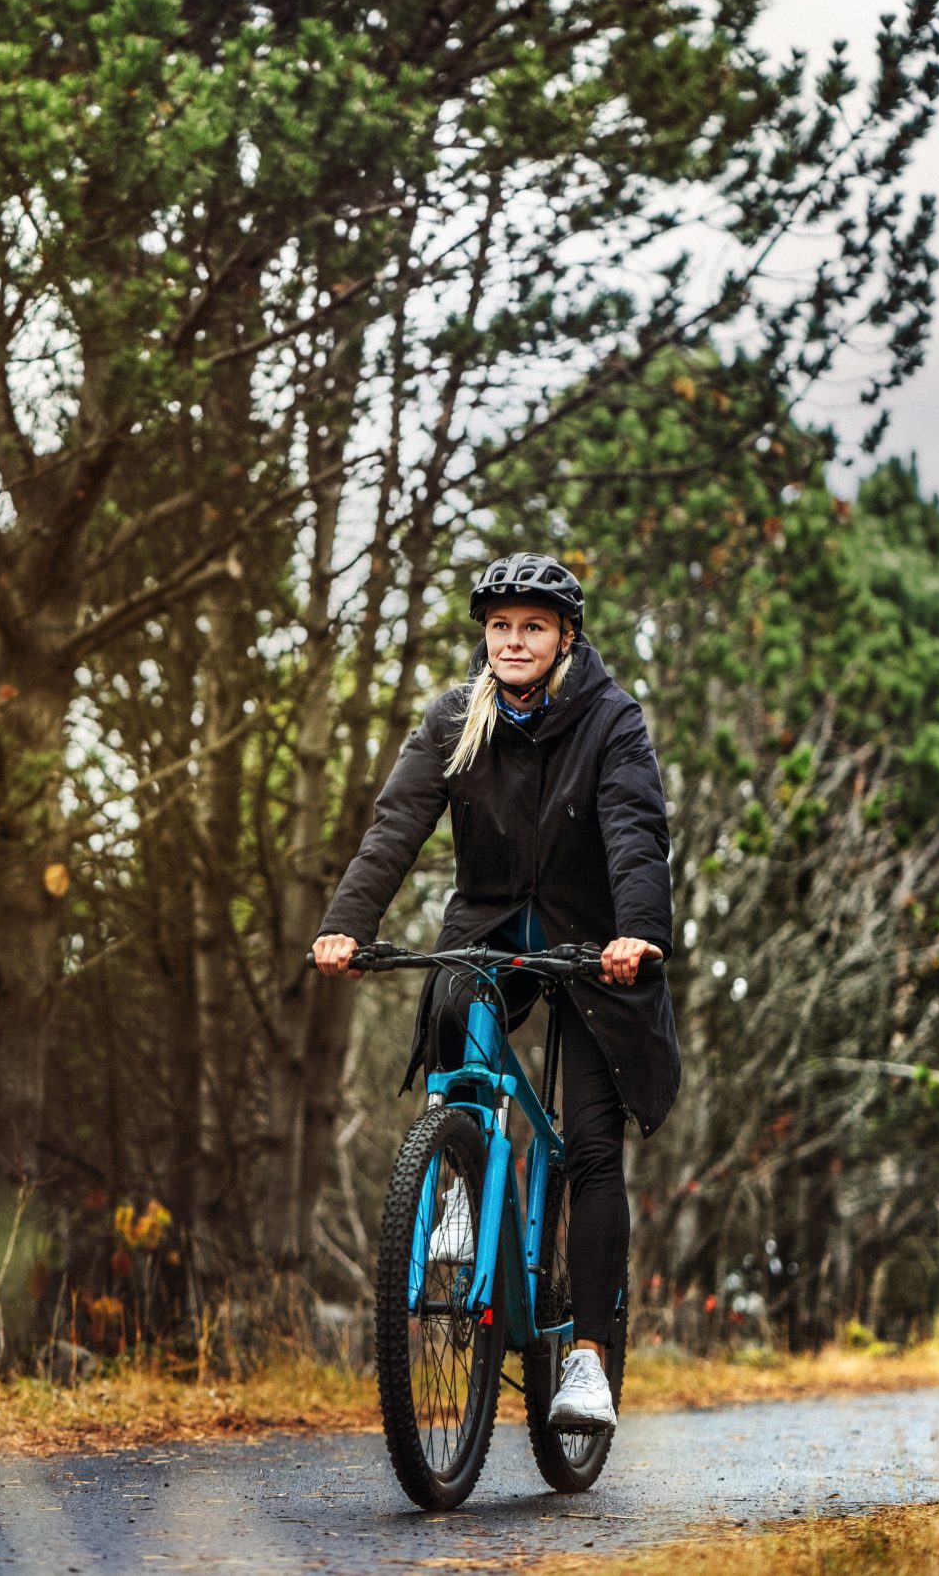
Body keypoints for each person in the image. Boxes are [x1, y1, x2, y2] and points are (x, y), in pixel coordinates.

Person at [311, 551, 678, 1430]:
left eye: (534, 627)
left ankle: (587, 1358)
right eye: (501, 627)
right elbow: (395, 825)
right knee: (450, 1012)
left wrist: (639, 935)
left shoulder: (611, 720)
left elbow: (635, 831)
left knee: (591, 1141)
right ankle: (464, 1189)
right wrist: (346, 924)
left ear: (565, 638)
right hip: (489, 922)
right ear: (487, 635)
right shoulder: (453, 719)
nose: (515, 641)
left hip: (594, 943)